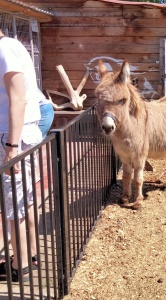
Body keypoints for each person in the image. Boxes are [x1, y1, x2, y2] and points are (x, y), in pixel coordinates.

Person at [0, 28, 43, 282]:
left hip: (12, 137)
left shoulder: (5, 49)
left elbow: (18, 100)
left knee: (14, 203)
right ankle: (30, 256)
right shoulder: (10, 46)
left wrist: (11, 147)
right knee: (24, 201)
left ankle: (21, 265)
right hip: (17, 135)